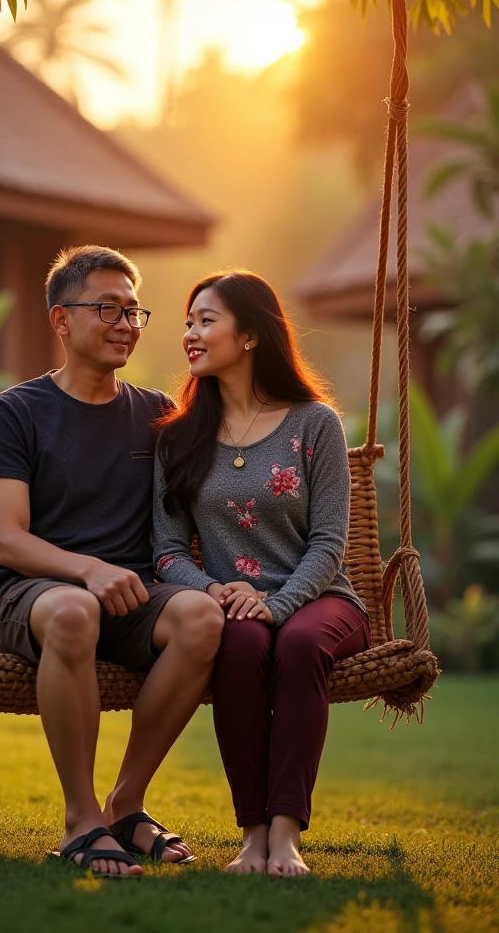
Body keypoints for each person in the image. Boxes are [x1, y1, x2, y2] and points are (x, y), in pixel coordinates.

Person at [0, 245, 224, 879]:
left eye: (134, 311)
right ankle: (81, 820)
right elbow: (9, 540)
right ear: (61, 320)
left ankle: (125, 805)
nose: (124, 324)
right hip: (28, 597)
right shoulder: (14, 412)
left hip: (129, 598)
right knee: (77, 611)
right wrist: (87, 569)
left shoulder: (155, 415)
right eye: (107, 308)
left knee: (200, 619)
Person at [153, 270, 371, 878]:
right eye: (188, 323)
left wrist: (277, 605)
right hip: (233, 607)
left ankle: (285, 836)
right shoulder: (178, 439)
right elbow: (168, 552)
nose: (191, 335)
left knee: (298, 645)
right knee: (241, 647)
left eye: (206, 320)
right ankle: (251, 835)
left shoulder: (314, 424)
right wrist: (214, 591)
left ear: (249, 335)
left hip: (321, 598)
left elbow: (330, 541)